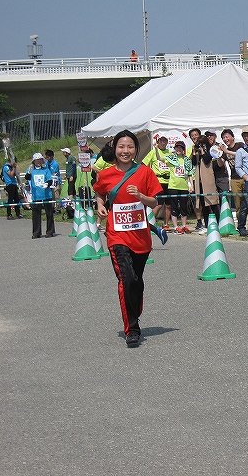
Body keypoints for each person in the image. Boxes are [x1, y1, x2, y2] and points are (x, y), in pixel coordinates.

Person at [93, 130, 163, 347]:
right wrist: (100, 205)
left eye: (130, 147)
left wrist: (141, 197)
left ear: (136, 149)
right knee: (127, 279)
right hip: (116, 235)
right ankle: (132, 329)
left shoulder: (144, 172)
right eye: (121, 147)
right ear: (115, 149)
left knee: (137, 282)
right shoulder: (105, 174)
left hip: (140, 236)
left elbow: (156, 203)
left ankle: (134, 312)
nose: (125, 151)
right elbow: (99, 193)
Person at [162, 140, 193, 234]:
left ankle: (184, 226)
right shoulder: (171, 158)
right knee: (174, 207)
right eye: (177, 147)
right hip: (173, 186)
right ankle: (175, 227)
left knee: (184, 207)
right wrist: (155, 148)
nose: (179, 149)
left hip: (183, 187)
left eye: (180, 148)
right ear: (175, 149)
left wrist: (191, 186)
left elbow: (190, 174)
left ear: (183, 149)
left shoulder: (187, 160)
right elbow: (160, 158)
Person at [191, 134, 221, 230]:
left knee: (212, 201)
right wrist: (194, 152)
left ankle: (219, 221)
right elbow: (194, 163)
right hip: (199, 180)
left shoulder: (210, 149)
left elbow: (207, 160)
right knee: (203, 203)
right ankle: (207, 224)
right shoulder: (197, 152)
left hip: (208, 179)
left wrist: (203, 151)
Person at [141, 136, 172, 230]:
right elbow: (144, 164)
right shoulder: (153, 151)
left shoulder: (169, 153)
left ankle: (165, 224)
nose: (163, 143)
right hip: (158, 181)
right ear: (158, 142)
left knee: (168, 205)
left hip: (169, 181)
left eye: (165, 141)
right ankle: (149, 222)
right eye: (161, 141)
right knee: (158, 204)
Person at [24, 153, 55, 239]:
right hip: (36, 195)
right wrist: (29, 172)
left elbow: (50, 180)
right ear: (34, 161)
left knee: (49, 213)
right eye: (37, 160)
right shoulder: (31, 170)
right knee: (36, 214)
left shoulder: (46, 170)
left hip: (46, 194)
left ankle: (50, 231)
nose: (39, 162)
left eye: (40, 160)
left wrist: (47, 184)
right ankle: (36, 232)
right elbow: (27, 177)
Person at [220, 129, 244, 213]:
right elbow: (220, 163)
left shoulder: (240, 145)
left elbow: (241, 154)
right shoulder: (225, 152)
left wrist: (227, 151)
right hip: (234, 179)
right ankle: (241, 225)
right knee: (238, 204)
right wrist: (218, 154)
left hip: (246, 177)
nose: (225, 139)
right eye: (223, 138)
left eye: (227, 137)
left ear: (232, 137)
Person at [187, 128, 205, 232]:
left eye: (196, 135)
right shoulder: (190, 148)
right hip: (194, 177)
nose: (194, 137)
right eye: (192, 135)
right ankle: (199, 221)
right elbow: (188, 162)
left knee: (206, 200)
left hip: (204, 176)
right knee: (197, 201)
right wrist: (194, 151)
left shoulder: (204, 146)